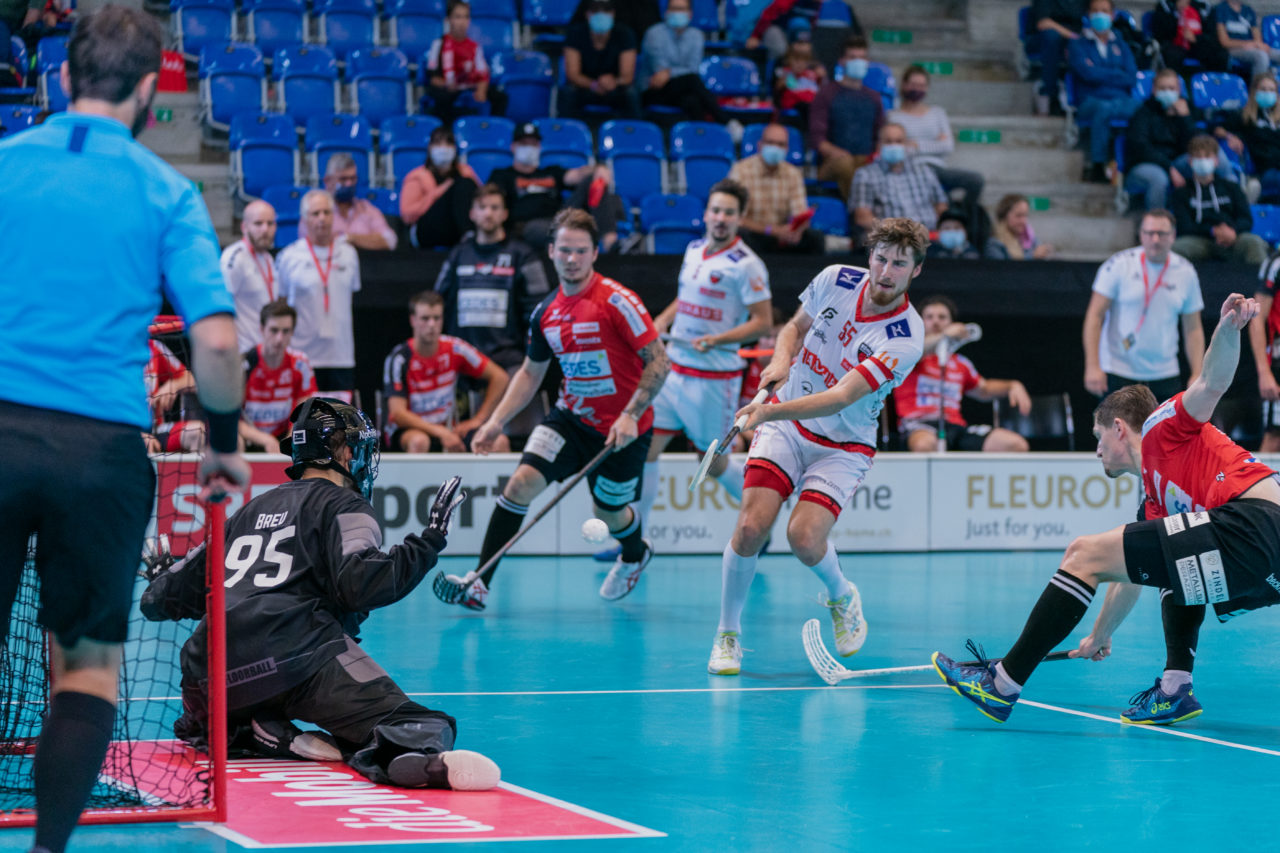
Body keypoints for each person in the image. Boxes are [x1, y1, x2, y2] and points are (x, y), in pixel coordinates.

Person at [0, 8, 249, 852]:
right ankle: (45, 850)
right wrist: (221, 444)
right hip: (100, 456)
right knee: (86, 669)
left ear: (61, 78)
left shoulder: (3, 166)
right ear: (149, 92)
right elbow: (215, 341)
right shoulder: (164, 190)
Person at [933, 293, 1280, 726]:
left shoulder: (1161, 428)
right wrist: (1100, 633)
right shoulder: (1156, 503)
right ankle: (1175, 689)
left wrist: (1227, 331)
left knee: (1083, 552)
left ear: (1119, 428)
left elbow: (1212, 382)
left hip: (1258, 521)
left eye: (1099, 438)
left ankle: (1001, 684)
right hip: (1264, 558)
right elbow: (1130, 578)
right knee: (1176, 566)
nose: (1097, 451)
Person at [140, 398, 501, 790]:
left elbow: (157, 601)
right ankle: (407, 758)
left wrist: (162, 576)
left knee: (211, 708)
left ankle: (255, 731)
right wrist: (428, 541)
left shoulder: (248, 509)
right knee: (418, 725)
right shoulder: (346, 504)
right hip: (296, 656)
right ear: (343, 452)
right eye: (358, 448)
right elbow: (362, 584)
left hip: (208, 680)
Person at [707, 218, 928, 676]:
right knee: (750, 529)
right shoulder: (836, 279)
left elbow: (842, 395)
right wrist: (780, 359)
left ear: (915, 272)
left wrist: (766, 412)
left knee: (804, 538)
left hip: (842, 444)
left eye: (899, 264)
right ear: (870, 256)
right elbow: (794, 326)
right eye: (881, 258)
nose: (886, 271)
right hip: (787, 427)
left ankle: (842, 594)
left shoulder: (905, 336)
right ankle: (728, 634)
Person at [449, 208, 671, 611]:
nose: (572, 259)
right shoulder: (545, 313)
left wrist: (631, 414)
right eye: (564, 250)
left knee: (609, 512)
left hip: (624, 428)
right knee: (519, 485)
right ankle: (479, 582)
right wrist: (495, 422)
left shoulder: (618, 302)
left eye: (580, 251)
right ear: (551, 252)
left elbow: (659, 361)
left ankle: (635, 553)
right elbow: (531, 375)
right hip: (570, 419)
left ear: (594, 253)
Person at [632, 179, 772, 545]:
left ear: (740, 218)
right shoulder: (694, 249)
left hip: (713, 379)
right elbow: (685, 297)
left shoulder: (748, 266)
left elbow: (763, 322)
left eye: (729, 212)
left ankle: (761, 522)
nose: (720, 218)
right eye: (715, 210)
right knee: (646, 449)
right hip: (672, 370)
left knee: (709, 462)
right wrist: (663, 320)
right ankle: (636, 539)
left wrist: (718, 339)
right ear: (706, 213)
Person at [433, 183, 552, 444]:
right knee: (454, 436)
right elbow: (436, 301)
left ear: (505, 214)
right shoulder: (458, 255)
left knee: (502, 438)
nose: (488, 213)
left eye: (495, 208)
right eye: (482, 207)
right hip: (462, 365)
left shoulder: (523, 255)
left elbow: (541, 312)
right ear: (473, 214)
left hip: (507, 359)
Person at [1083, 209, 1205, 401]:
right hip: (1118, 370)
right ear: (1140, 235)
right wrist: (1093, 366)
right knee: (1116, 431)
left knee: (1163, 432)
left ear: (1173, 236)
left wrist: (1197, 372)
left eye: (1162, 234)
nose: (1155, 239)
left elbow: (1193, 328)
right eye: (1149, 233)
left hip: (1165, 374)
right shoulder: (1118, 265)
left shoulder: (1186, 271)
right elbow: (1094, 316)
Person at [892, 295, 1031, 453]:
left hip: (956, 427)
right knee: (925, 445)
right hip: (919, 425)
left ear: (951, 322)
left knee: (1015, 444)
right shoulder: (910, 352)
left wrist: (1012, 385)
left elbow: (983, 390)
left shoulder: (961, 363)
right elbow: (916, 351)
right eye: (929, 317)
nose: (936, 321)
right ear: (920, 322)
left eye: (942, 317)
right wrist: (945, 337)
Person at [383, 291, 510, 453]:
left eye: (437, 318)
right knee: (419, 441)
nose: (431, 324)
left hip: (450, 429)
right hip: (411, 430)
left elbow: (500, 377)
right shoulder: (399, 358)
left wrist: (478, 420)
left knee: (499, 441)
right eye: (425, 318)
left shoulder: (456, 348)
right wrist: (440, 432)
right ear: (412, 320)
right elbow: (398, 413)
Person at [278, 189, 362, 400]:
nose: (321, 218)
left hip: (341, 356)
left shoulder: (349, 254)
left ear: (334, 216)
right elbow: (280, 305)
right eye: (315, 213)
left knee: (340, 424)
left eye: (326, 212)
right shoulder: (289, 256)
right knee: (304, 422)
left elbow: (352, 294)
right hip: (303, 354)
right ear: (305, 219)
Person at [489, 121, 621, 249]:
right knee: (540, 228)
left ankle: (611, 243)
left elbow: (577, 175)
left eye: (533, 144)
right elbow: (490, 200)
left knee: (595, 180)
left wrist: (599, 168)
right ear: (513, 147)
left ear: (539, 147)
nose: (529, 148)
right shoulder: (502, 174)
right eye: (524, 144)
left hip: (560, 218)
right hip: (527, 225)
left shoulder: (551, 171)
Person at [888, 64, 984, 212]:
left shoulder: (937, 113)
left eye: (922, 85)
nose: (917, 89)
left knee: (976, 180)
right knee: (943, 200)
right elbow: (901, 150)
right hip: (911, 170)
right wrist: (935, 143)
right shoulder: (894, 116)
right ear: (904, 85)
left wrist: (916, 145)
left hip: (938, 168)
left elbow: (947, 146)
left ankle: (963, 218)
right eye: (913, 84)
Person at [1067, 0, 1139, 184]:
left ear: (1113, 16)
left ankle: (1133, 162)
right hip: (1089, 101)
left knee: (1143, 110)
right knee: (1104, 109)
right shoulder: (1077, 44)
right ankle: (1098, 166)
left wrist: (1101, 71)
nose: (1100, 15)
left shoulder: (1121, 44)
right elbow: (1087, 74)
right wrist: (1116, 73)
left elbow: (1131, 77)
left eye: (1105, 11)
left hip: (1121, 100)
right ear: (1088, 15)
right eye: (1095, 11)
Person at [1170, 134, 1268, 264]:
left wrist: (1231, 231)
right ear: (1190, 161)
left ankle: (1261, 283)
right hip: (1200, 240)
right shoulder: (1181, 193)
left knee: (1254, 242)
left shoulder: (1232, 187)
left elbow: (1246, 220)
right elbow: (1184, 227)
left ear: (1216, 161)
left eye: (1207, 156)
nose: (1203, 160)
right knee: (1174, 249)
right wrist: (1213, 231)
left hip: (1233, 237)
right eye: (1198, 157)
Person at [729, 122, 824, 255]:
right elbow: (737, 218)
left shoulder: (793, 173)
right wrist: (771, 230)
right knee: (741, 235)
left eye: (780, 144)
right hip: (756, 235)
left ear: (786, 149)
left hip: (783, 235)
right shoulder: (741, 171)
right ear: (760, 145)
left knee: (815, 238)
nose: (775, 148)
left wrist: (796, 230)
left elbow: (800, 213)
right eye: (770, 142)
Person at [809, 35, 884, 201]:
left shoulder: (874, 97)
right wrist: (836, 152)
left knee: (870, 166)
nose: (858, 61)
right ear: (842, 61)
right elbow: (817, 139)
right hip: (833, 163)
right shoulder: (826, 94)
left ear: (868, 61)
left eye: (862, 57)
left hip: (864, 160)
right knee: (846, 163)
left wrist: (875, 156)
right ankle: (860, 210)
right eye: (852, 57)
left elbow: (880, 134)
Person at [239, 300, 317, 453]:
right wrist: (265, 440)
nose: (280, 338)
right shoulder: (244, 364)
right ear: (262, 329)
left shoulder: (301, 364)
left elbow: (304, 411)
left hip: (283, 438)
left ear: (292, 332)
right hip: (250, 438)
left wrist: (289, 442)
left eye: (286, 331)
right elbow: (231, 419)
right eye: (274, 330)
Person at [638, 0, 733, 126]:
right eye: (674, 9)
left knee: (692, 101)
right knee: (692, 81)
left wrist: (671, 72)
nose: (677, 13)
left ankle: (700, 139)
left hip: (682, 90)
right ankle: (726, 122)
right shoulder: (654, 33)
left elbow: (691, 69)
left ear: (690, 14)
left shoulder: (696, 35)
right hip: (653, 91)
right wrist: (675, 72)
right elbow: (660, 73)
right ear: (666, 12)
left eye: (681, 9)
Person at [849, 122, 949, 236]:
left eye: (898, 141)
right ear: (878, 145)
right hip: (892, 240)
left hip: (928, 238)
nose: (894, 145)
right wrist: (896, 233)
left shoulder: (924, 170)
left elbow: (941, 205)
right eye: (888, 141)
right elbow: (863, 217)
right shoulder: (865, 174)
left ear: (906, 144)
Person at [1122, 68, 1198, 211]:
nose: (1168, 92)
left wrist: (1185, 119)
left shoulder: (1186, 111)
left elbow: (1195, 146)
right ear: (1154, 90)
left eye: (1171, 88)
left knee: (1210, 156)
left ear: (1179, 90)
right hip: (1144, 166)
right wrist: (1169, 168)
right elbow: (1141, 149)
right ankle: (1157, 224)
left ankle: (1235, 198)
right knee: (1159, 178)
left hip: (1175, 163)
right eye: (1163, 88)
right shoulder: (1143, 113)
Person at [424, 0, 506, 124]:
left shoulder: (474, 47)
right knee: (442, 98)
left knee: (500, 97)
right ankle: (448, 131)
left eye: (466, 17)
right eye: (457, 17)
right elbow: (433, 77)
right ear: (448, 20)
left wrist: (481, 90)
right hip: (448, 88)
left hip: (469, 86)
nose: (462, 22)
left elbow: (483, 74)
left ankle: (493, 128)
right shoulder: (438, 44)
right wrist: (447, 84)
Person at [399, 127, 480, 250]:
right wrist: (440, 191)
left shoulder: (465, 172)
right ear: (429, 148)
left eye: (448, 143)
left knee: (467, 184)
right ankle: (469, 236)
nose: (443, 148)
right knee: (462, 184)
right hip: (427, 229)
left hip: (456, 229)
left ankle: (471, 236)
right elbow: (407, 215)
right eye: (438, 143)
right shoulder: (417, 176)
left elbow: (482, 198)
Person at [300, 153, 398, 251]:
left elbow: (390, 240)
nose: (349, 184)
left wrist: (351, 238)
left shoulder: (366, 208)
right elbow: (310, 242)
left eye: (353, 178)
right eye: (343, 179)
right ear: (327, 181)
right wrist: (368, 240)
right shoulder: (317, 209)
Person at [561, 0, 640, 119]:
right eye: (595, 10)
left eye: (606, 10)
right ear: (587, 14)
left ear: (613, 14)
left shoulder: (625, 34)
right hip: (585, 86)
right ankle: (566, 131)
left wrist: (615, 82)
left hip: (614, 87)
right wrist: (592, 84)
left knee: (631, 93)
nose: (601, 14)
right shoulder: (575, 33)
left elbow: (627, 76)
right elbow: (572, 74)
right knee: (568, 91)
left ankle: (633, 133)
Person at [221, 199, 279, 353]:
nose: (265, 229)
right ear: (244, 227)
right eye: (258, 224)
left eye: (270, 223)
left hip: (267, 352)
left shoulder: (268, 258)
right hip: (244, 352)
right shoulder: (234, 258)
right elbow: (222, 308)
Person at [1218, 75, 1280, 203]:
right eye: (1263, 89)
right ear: (1254, 92)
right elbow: (1217, 128)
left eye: (1271, 90)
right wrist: (1230, 137)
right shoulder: (1244, 116)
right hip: (1264, 170)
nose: (1267, 93)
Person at [144, 337, 205, 454]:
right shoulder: (108, 351)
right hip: (124, 431)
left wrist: (174, 385)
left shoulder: (153, 345)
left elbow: (193, 380)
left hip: (156, 430)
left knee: (198, 432)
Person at [1250, 249, 1280, 451]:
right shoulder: (1276, 263)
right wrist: (1264, 372)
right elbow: (1257, 318)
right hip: (1278, 367)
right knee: (1274, 438)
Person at [1151, 0, 1229, 76]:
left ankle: (1215, 84)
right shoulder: (1165, 5)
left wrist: (1196, 38)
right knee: (1172, 54)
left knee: (1220, 54)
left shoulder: (1204, 6)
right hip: (1175, 44)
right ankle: (1172, 85)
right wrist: (1178, 11)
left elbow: (1212, 34)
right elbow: (1160, 34)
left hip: (1198, 43)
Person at [1214, 0, 1280, 80]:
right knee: (1261, 56)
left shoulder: (1248, 10)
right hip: (1233, 49)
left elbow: (1256, 35)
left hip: (1251, 47)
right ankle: (1257, 89)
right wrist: (1246, 44)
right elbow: (1224, 41)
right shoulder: (1220, 9)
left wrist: (1258, 44)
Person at [773, 39, 825, 129]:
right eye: (796, 60)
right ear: (789, 61)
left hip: (810, 103)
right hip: (795, 104)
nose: (799, 64)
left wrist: (821, 78)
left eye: (803, 61)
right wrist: (782, 83)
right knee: (806, 106)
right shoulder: (786, 75)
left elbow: (819, 88)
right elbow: (778, 89)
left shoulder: (811, 75)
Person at [993, 193, 1055, 259]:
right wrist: (1033, 256)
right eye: (1018, 216)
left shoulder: (1029, 238)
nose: (1024, 221)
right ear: (1004, 217)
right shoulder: (995, 244)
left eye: (1025, 215)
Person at [926, 209, 1008, 259]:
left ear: (965, 232)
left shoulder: (972, 253)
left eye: (957, 228)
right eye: (947, 228)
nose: (952, 231)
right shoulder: (929, 252)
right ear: (938, 231)